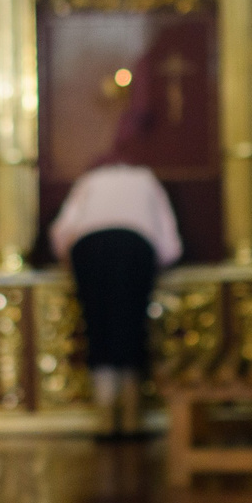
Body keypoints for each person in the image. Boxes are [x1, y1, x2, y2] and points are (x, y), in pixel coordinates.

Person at [47, 143, 181, 436]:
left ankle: (106, 420)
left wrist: (67, 260)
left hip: (88, 247)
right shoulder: (146, 179)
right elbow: (170, 243)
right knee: (132, 325)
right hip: (136, 245)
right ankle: (132, 419)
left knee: (97, 325)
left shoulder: (89, 180)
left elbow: (62, 231)